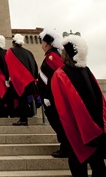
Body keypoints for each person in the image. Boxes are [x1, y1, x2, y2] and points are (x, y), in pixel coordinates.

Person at [52, 35, 106, 176]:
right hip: (95, 128)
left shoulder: (60, 74)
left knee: (78, 164)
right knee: (98, 165)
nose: (61, 54)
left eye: (63, 51)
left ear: (68, 53)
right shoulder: (87, 71)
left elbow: (60, 107)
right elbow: (99, 99)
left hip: (77, 128)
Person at [37, 28, 69, 158]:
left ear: (46, 44)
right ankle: (65, 145)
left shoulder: (52, 57)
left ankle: (66, 147)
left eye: (43, 42)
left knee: (58, 122)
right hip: (51, 97)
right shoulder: (52, 56)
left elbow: (57, 78)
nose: (42, 45)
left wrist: (49, 96)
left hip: (53, 98)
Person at [5, 34, 38, 126]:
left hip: (20, 80)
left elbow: (9, 65)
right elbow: (34, 66)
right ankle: (27, 117)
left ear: (13, 43)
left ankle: (23, 119)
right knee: (26, 100)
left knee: (21, 100)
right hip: (30, 80)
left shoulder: (11, 51)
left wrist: (7, 79)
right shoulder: (29, 52)